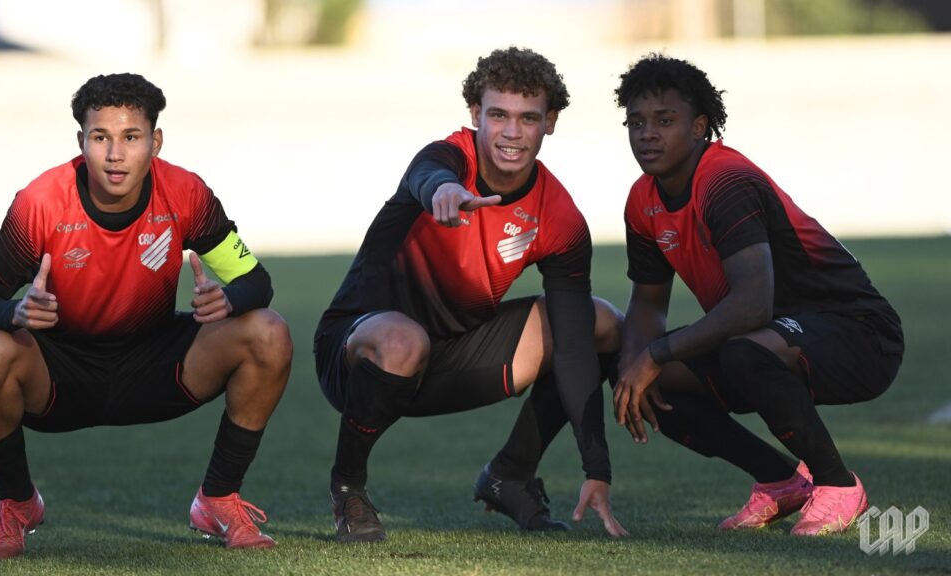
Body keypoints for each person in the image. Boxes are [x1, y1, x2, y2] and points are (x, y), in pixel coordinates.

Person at [0, 73, 293, 560]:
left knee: (269, 332)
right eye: (101, 138)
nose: (115, 155)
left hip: (157, 361)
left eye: (131, 137)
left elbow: (255, 280)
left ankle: (218, 499)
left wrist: (232, 300)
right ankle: (18, 503)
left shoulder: (185, 193)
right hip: (60, 370)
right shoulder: (40, 202)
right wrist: (15, 311)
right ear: (81, 141)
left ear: (155, 142)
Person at [313, 46, 630, 543]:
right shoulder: (449, 158)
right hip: (358, 351)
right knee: (402, 341)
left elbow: (572, 345)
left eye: (528, 118)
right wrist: (441, 189)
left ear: (550, 122)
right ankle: (348, 488)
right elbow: (426, 171)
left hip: (454, 353)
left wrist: (598, 467)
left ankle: (511, 475)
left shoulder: (560, 217)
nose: (511, 131)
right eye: (498, 114)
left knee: (602, 322)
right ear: (475, 115)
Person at [611, 54, 903, 536]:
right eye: (636, 122)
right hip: (766, 342)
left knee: (739, 352)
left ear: (700, 125)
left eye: (665, 120)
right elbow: (646, 301)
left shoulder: (725, 181)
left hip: (861, 335)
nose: (647, 134)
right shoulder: (642, 200)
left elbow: (752, 305)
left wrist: (656, 353)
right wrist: (633, 367)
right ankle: (780, 480)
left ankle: (838, 484)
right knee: (642, 373)